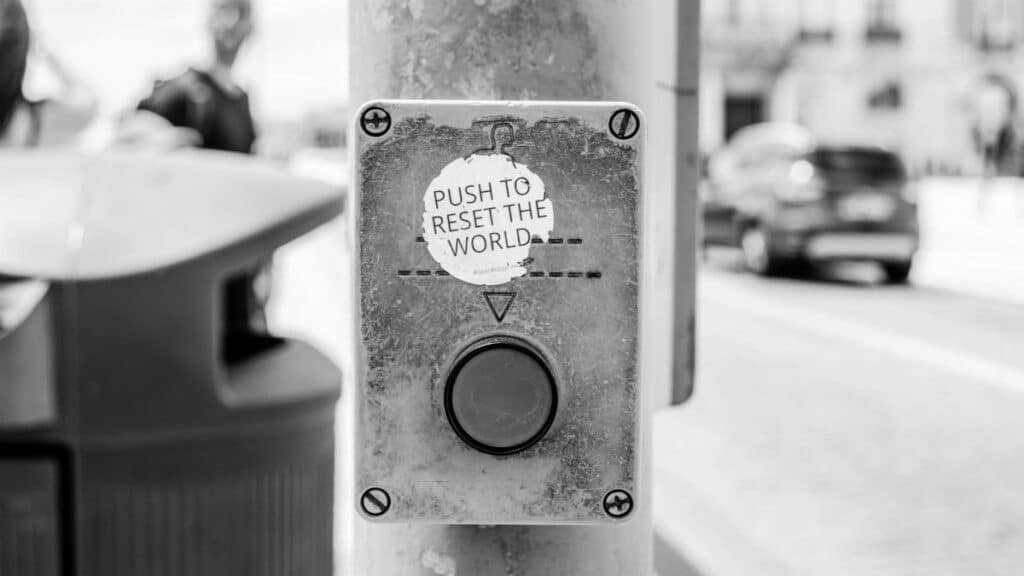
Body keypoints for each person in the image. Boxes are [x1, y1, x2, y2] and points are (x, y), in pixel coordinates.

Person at [131, 0, 256, 154]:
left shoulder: (241, 101)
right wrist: (157, 140)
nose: (231, 22)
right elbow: (128, 133)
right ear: (208, 20)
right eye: (224, 10)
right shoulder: (186, 90)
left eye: (241, 12)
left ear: (251, 27)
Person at [0, 0, 95, 148]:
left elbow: (88, 104)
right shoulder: (29, 123)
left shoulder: (28, 122)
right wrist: (41, 47)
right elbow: (88, 103)